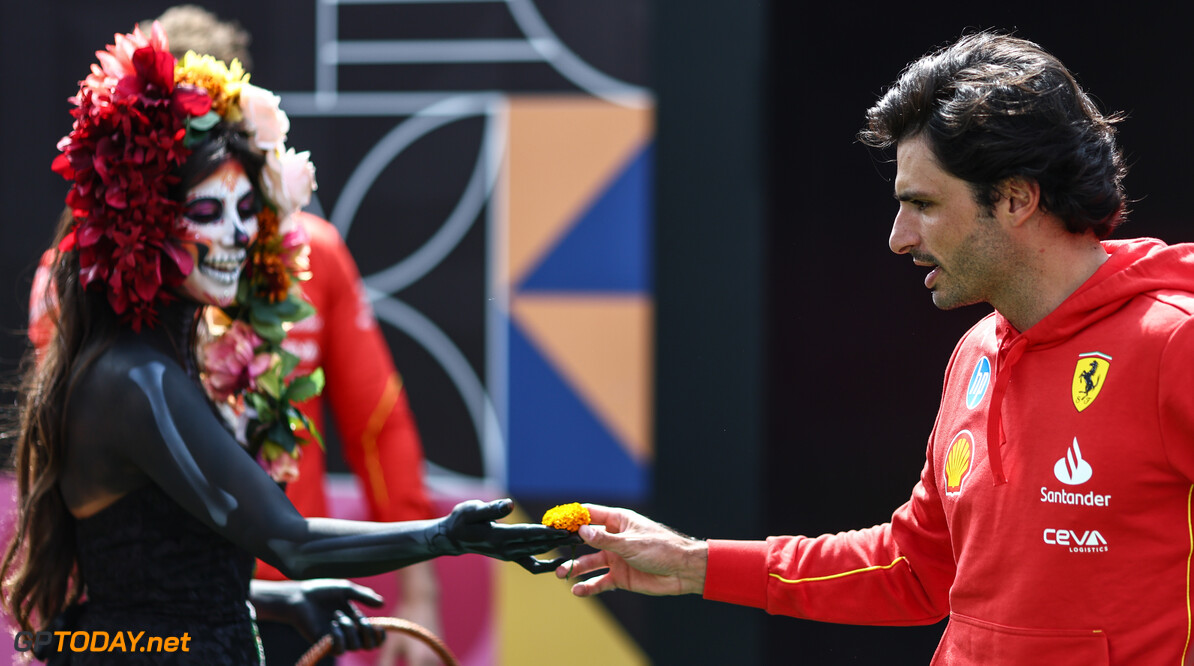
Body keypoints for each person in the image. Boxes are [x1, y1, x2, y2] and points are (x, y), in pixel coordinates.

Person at [557, 31, 1194, 663]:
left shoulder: (1175, 342)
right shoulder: (976, 350)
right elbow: (913, 569)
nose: (898, 237)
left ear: (1015, 198)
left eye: (922, 204)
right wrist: (695, 564)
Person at [2, 23, 574, 665]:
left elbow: (170, 568)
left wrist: (281, 599)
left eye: (248, 210)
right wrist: (445, 536)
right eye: (209, 212)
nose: (239, 234)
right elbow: (276, 544)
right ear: (144, 215)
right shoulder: (136, 377)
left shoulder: (157, 357)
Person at [145, 7, 448, 665]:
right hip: (152, 616)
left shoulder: (315, 256)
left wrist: (419, 597)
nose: (228, 226)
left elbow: (380, 424)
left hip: (292, 601)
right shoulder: (92, 278)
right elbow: (60, 461)